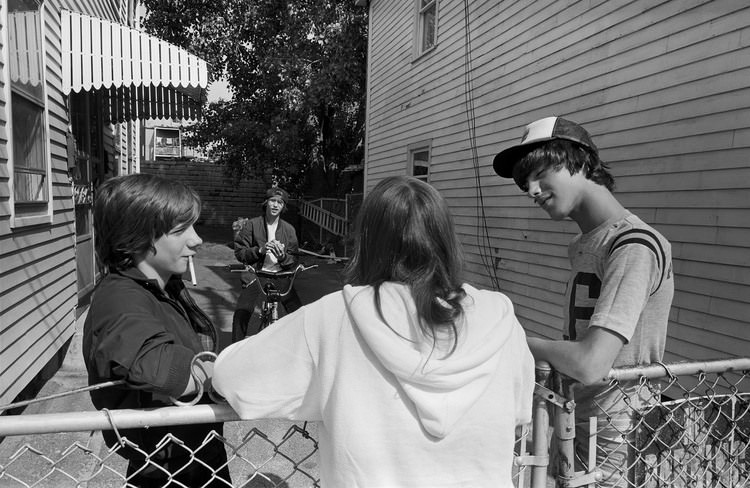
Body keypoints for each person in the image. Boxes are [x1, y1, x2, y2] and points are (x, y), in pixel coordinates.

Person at [213, 175, 535, 488]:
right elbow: (520, 411)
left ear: (367, 241)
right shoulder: (500, 318)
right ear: (445, 239)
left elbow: (232, 376)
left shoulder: (333, 318)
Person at [493, 116, 674, 486]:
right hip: (579, 423)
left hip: (618, 440)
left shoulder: (632, 245)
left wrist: (517, 343)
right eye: (521, 182)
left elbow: (592, 363)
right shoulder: (589, 243)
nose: (531, 189)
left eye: (540, 171)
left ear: (581, 161)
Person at [82, 173, 231, 487]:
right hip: (166, 468)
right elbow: (159, 366)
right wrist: (235, 371)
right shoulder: (119, 297)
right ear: (137, 237)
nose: (197, 240)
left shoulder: (164, 286)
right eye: (180, 230)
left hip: (199, 450)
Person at [232, 186, 301, 342]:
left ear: (283, 207)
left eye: (280, 203)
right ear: (266, 203)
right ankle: (234, 350)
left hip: (281, 276)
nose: (276, 205)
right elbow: (240, 253)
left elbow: (294, 259)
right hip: (256, 275)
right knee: (242, 311)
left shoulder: (289, 230)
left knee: (299, 313)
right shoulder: (252, 225)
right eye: (273, 201)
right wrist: (260, 250)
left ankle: (299, 349)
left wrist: (283, 257)